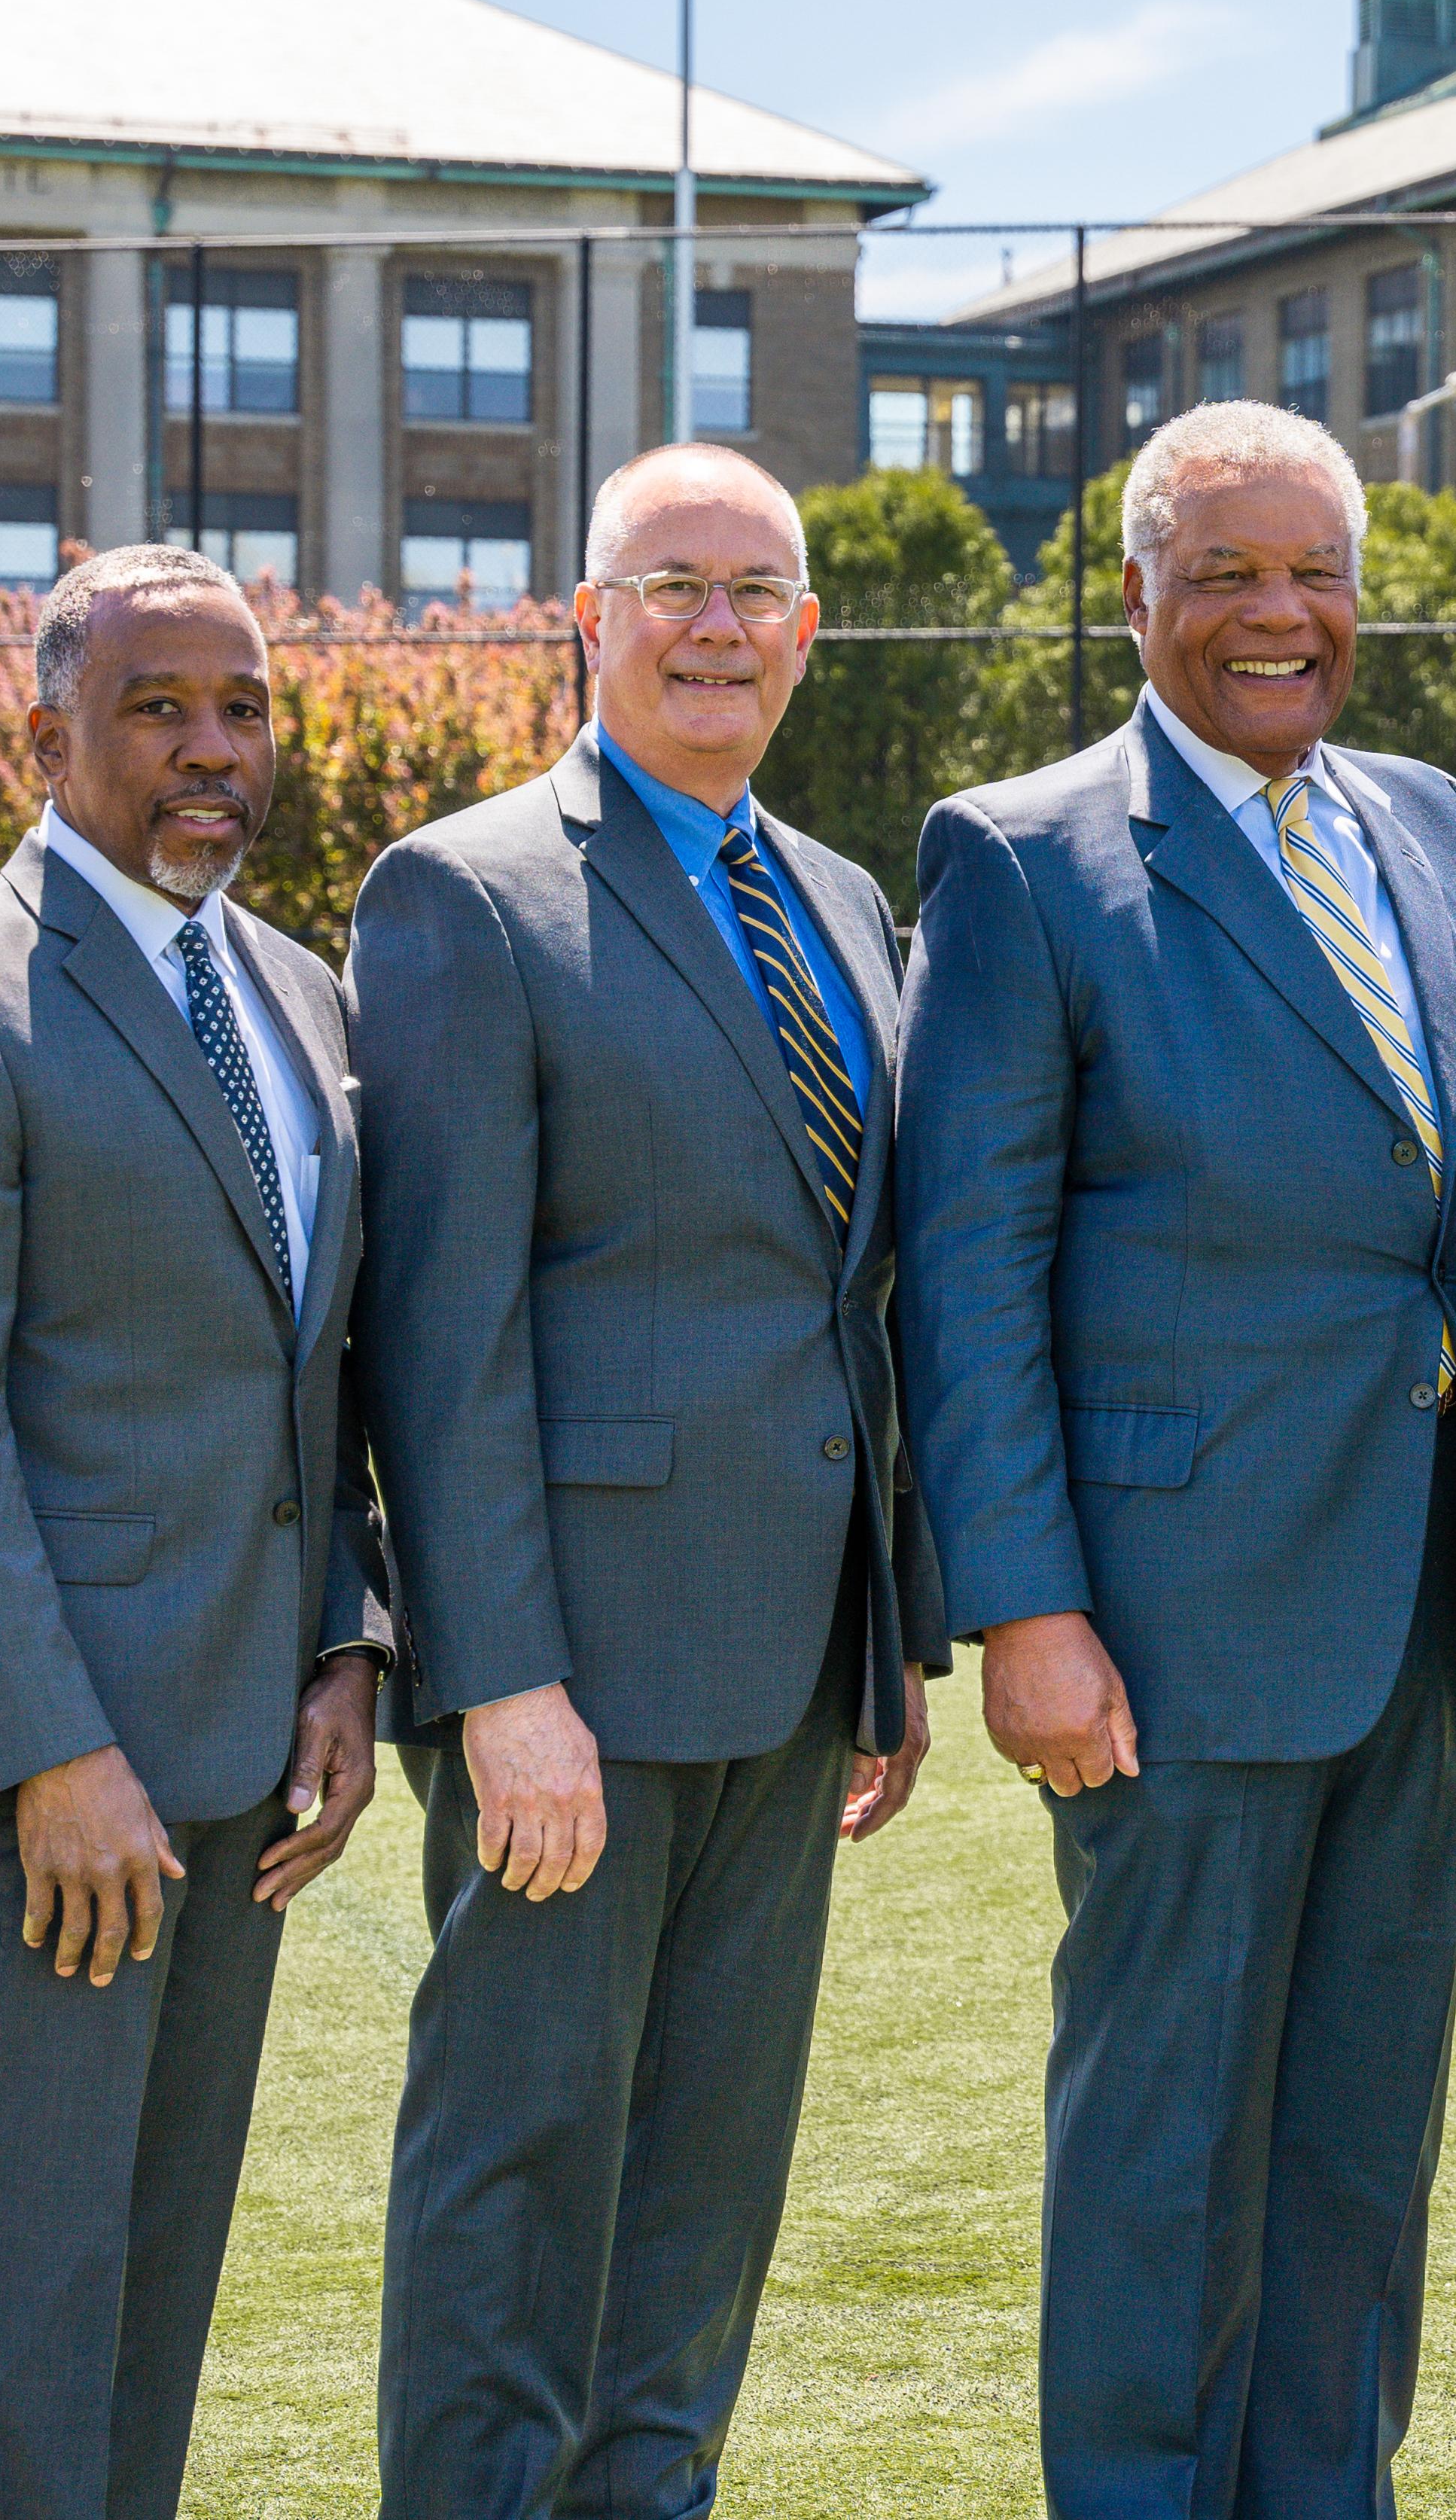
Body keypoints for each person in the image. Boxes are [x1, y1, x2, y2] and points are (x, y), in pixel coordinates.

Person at [894, 400, 1456, 2519]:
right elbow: (965, 1263)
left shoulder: (1426, 822)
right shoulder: (1024, 855)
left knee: (1360, 2155)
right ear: (1141, 597)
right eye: (1229, 574)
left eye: (1315, 573)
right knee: (1166, 2156)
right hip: (1166, 1630)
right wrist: (1026, 1604)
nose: (1280, 614)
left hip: (1419, 1611)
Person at [348, 442, 940, 2517]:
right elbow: (441, 1331)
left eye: (753, 588)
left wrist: (890, 1638)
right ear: (585, 621)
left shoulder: (850, 905)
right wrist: (500, 1682)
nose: (713, 625)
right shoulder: (464, 890)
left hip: (791, 1669)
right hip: (570, 1678)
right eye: (668, 584)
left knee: (702, 2191)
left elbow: (856, 1295)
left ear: (805, 629)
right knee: (521, 2176)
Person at [0, 544, 391, 2520]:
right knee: (50, 2280)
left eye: (240, 706)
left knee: (161, 2267)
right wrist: (53, 1754)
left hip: (254, 1753)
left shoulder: (303, 994)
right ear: (43, 729)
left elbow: (312, 1378)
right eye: (158, 708)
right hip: (73, 1768)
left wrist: (349, 1649)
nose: (212, 750)